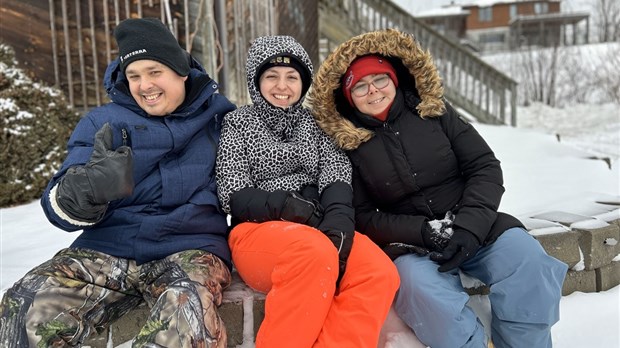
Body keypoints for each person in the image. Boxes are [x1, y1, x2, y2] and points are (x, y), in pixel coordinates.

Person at [309, 28, 568, 348]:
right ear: (348, 98)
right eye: (360, 86)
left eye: (379, 79)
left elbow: (484, 166)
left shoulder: (434, 112)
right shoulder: (348, 143)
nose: (372, 90)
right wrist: (424, 231)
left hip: (477, 226)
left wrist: (470, 226)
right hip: (411, 245)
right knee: (422, 292)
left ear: (395, 79)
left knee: (528, 261)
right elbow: (363, 215)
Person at [0, 18, 236, 347]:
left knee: (187, 310)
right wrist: (88, 188)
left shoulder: (221, 120)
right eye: (134, 75)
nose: (145, 85)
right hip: (107, 250)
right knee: (26, 302)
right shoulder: (102, 122)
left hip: (190, 250)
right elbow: (58, 202)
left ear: (182, 71)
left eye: (155, 72)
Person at [215, 35, 400, 348]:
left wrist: (339, 218)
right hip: (257, 231)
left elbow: (336, 171)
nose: (282, 86)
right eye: (271, 76)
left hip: (317, 226)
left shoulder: (317, 122)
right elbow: (231, 190)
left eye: (292, 77)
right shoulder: (238, 123)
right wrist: (286, 205)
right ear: (255, 80)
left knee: (378, 272)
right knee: (313, 255)